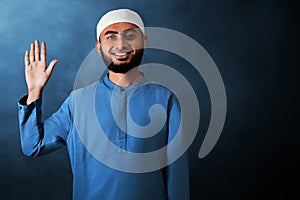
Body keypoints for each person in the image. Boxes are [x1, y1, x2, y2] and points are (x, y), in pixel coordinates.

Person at [18, 8, 190, 200]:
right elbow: (33, 145)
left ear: (144, 42)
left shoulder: (165, 99)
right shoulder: (78, 101)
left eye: (130, 36)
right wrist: (34, 92)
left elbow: (177, 175)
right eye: (111, 37)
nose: (121, 44)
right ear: (99, 47)